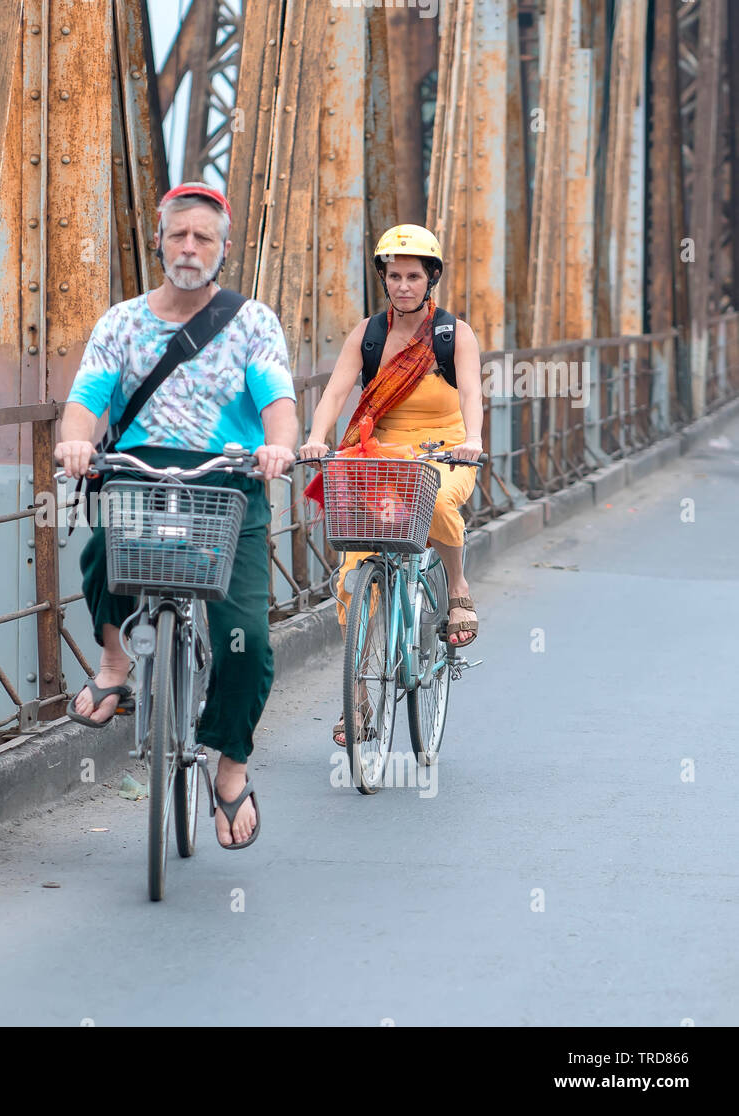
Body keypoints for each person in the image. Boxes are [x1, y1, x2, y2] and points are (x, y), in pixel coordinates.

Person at [54, 182, 298, 850]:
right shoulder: (122, 323)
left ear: (224, 250)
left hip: (227, 483)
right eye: (179, 235)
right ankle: (114, 665)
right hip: (139, 473)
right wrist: (77, 438)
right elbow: (86, 398)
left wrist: (278, 445)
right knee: (102, 549)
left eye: (204, 238)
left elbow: (277, 398)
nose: (190, 248)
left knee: (245, 636)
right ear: (159, 239)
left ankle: (231, 766)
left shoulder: (253, 322)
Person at [298, 224, 484, 747]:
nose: (403, 285)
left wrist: (472, 439)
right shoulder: (369, 335)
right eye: (395, 275)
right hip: (380, 454)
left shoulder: (452, 336)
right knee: (349, 576)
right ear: (384, 279)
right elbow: (336, 392)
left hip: (443, 451)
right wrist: (316, 437)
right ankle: (356, 698)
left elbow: (471, 394)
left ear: (431, 280)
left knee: (442, 502)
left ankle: (458, 588)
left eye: (413, 276)